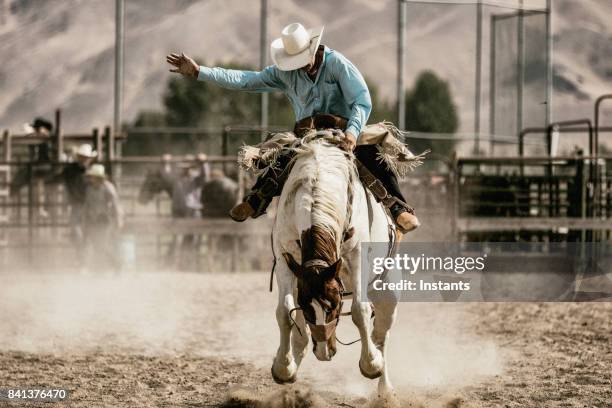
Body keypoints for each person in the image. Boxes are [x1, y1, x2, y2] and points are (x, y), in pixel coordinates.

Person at [167, 22, 419, 233]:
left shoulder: (337, 64)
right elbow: (247, 80)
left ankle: (398, 208)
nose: (301, 66)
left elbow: (362, 100)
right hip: (307, 133)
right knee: (282, 158)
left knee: (372, 157)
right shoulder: (284, 73)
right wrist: (200, 72)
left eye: (303, 60)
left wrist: (353, 133)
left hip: (344, 131)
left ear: (313, 49)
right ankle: (255, 200)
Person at [47, 144, 97, 242]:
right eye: (83, 157)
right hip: (79, 202)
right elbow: (58, 178)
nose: (85, 159)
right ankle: (82, 246)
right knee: (77, 225)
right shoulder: (72, 170)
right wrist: (49, 181)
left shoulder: (89, 170)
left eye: (86, 158)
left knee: (82, 225)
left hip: (89, 203)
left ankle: (84, 245)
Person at [82, 164, 123, 272]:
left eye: (93, 176)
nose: (91, 178)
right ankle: (100, 268)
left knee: (103, 244)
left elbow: (115, 204)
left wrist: (118, 219)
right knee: (96, 244)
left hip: (105, 219)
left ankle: (116, 263)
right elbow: (87, 205)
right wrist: (85, 219)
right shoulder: (89, 189)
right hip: (93, 219)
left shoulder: (108, 187)